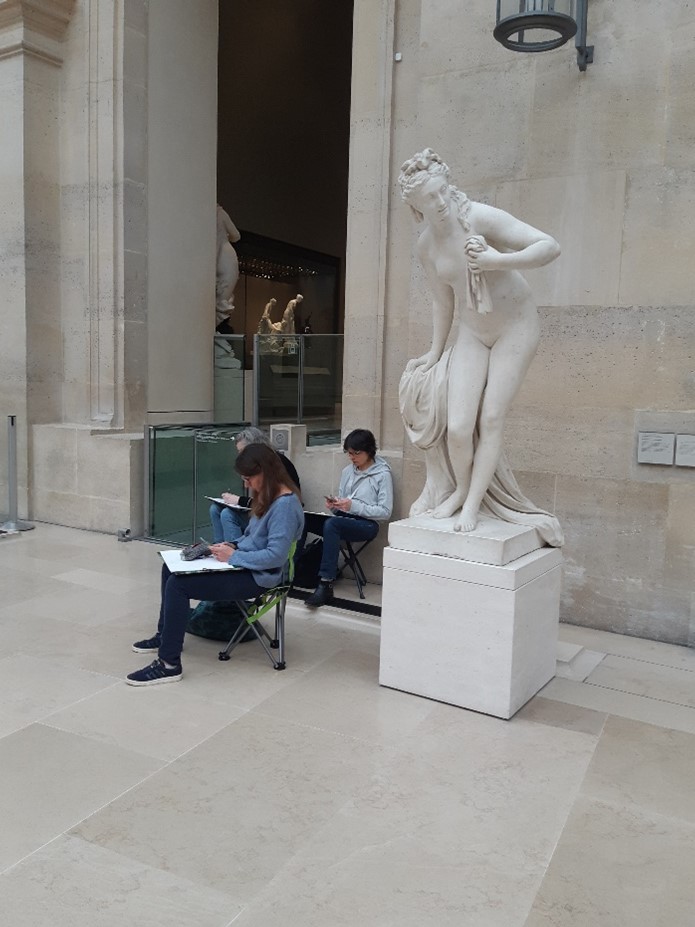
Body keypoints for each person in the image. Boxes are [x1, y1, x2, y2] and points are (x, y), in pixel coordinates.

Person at [398, 148, 563, 544]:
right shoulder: (426, 247)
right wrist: (435, 351)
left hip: (515, 328)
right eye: (429, 198)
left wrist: (495, 261)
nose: (440, 202)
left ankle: (472, 503)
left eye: (442, 191)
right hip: (472, 332)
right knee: (457, 428)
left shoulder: (479, 218)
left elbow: (549, 246)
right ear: (416, 207)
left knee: (490, 419)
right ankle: (460, 490)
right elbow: (443, 301)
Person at [128, 444, 304, 686]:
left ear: (266, 472)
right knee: (170, 568)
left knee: (178, 585)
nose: (246, 485)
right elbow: (251, 539)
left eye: (249, 478)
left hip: (260, 577)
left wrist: (233, 557)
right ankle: (164, 635)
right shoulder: (270, 497)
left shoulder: (285, 506)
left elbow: (275, 556)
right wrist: (227, 546)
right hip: (246, 566)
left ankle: (169, 664)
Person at [304, 428, 393, 608]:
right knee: (305, 519)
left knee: (333, 525)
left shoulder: (382, 475)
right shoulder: (347, 472)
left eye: (356, 453)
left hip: (368, 525)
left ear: (369, 451)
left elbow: (385, 512)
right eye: (349, 453)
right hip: (344, 519)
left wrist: (353, 506)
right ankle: (288, 572)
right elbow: (343, 506)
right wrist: (335, 506)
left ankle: (325, 583)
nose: (352, 457)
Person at [209, 426, 300, 543]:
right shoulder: (260, 466)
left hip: (271, 515)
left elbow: (270, 502)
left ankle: (230, 550)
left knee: (228, 514)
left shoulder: (273, 466)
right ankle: (219, 547)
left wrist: (239, 500)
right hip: (263, 510)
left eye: (243, 452)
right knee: (215, 509)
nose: (247, 485)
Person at [216, 204, 241, 333]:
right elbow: (236, 236)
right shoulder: (220, 213)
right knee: (222, 302)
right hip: (226, 256)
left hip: (216, 256)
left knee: (220, 301)